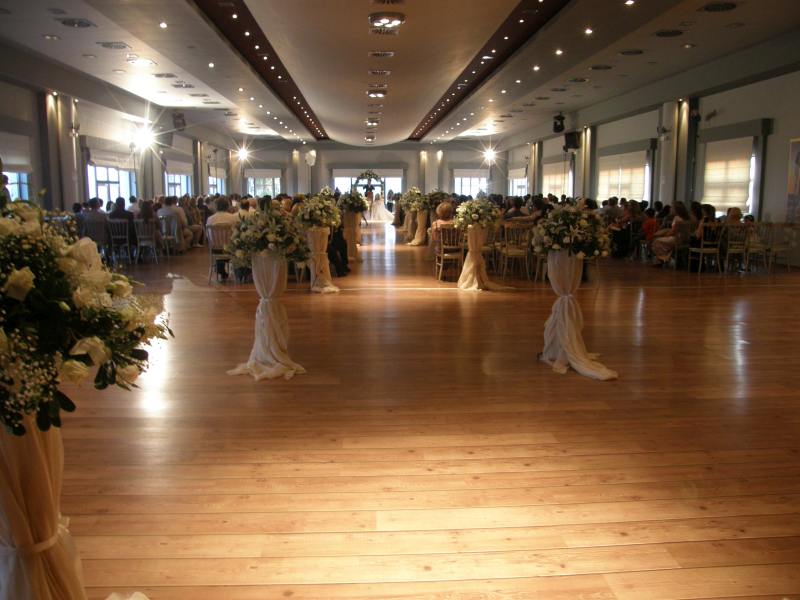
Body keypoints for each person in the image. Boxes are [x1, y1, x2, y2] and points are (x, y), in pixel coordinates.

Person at [207, 198, 239, 280]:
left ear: (216, 206)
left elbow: (209, 236)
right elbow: (237, 234)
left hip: (215, 249)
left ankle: (220, 268)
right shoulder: (233, 218)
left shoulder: (210, 219)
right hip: (230, 249)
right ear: (227, 206)